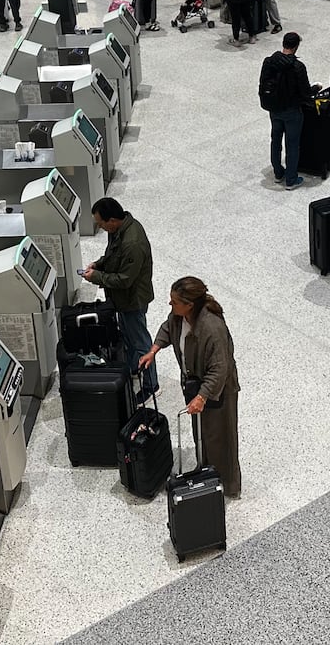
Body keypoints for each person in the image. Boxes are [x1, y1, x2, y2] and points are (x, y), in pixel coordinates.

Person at [140, 276, 241, 498]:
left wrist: (202, 397)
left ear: (189, 304)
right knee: (201, 433)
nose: (170, 304)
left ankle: (225, 486)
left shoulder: (212, 328)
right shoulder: (180, 316)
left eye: (174, 301)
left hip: (218, 389)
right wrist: (153, 350)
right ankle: (206, 472)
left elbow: (219, 369)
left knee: (220, 437)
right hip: (196, 385)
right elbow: (167, 329)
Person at [83, 198, 159, 403]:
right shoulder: (118, 230)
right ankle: (135, 369)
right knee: (128, 336)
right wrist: (98, 265)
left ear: (113, 219)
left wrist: (96, 277)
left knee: (140, 341)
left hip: (132, 299)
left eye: (101, 223)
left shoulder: (132, 242)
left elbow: (125, 279)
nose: (99, 227)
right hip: (122, 299)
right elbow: (112, 256)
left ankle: (151, 385)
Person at [259, 31, 321, 190]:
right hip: (292, 110)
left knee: (275, 139)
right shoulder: (297, 67)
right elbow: (305, 93)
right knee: (292, 144)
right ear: (296, 46)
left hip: (273, 108)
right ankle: (291, 179)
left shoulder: (269, 61)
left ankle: (278, 173)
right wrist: (316, 88)